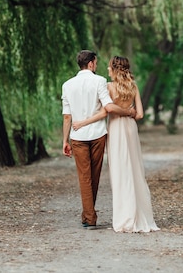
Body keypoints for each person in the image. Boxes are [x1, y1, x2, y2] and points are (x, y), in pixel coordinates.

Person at [73, 55, 159, 233]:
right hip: (131, 129)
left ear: (114, 69)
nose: (106, 70)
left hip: (117, 129)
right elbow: (140, 114)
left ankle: (125, 218)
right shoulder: (133, 86)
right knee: (135, 170)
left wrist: (83, 123)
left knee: (120, 172)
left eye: (109, 67)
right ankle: (141, 216)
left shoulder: (108, 87)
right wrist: (129, 112)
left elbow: (105, 112)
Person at [61, 50, 135, 228]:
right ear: (92, 64)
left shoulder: (67, 85)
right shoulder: (100, 81)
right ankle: (89, 216)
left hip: (77, 137)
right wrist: (128, 112)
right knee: (93, 176)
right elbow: (107, 106)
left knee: (84, 177)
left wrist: (65, 141)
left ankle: (88, 216)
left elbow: (66, 116)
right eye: (96, 62)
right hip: (98, 135)